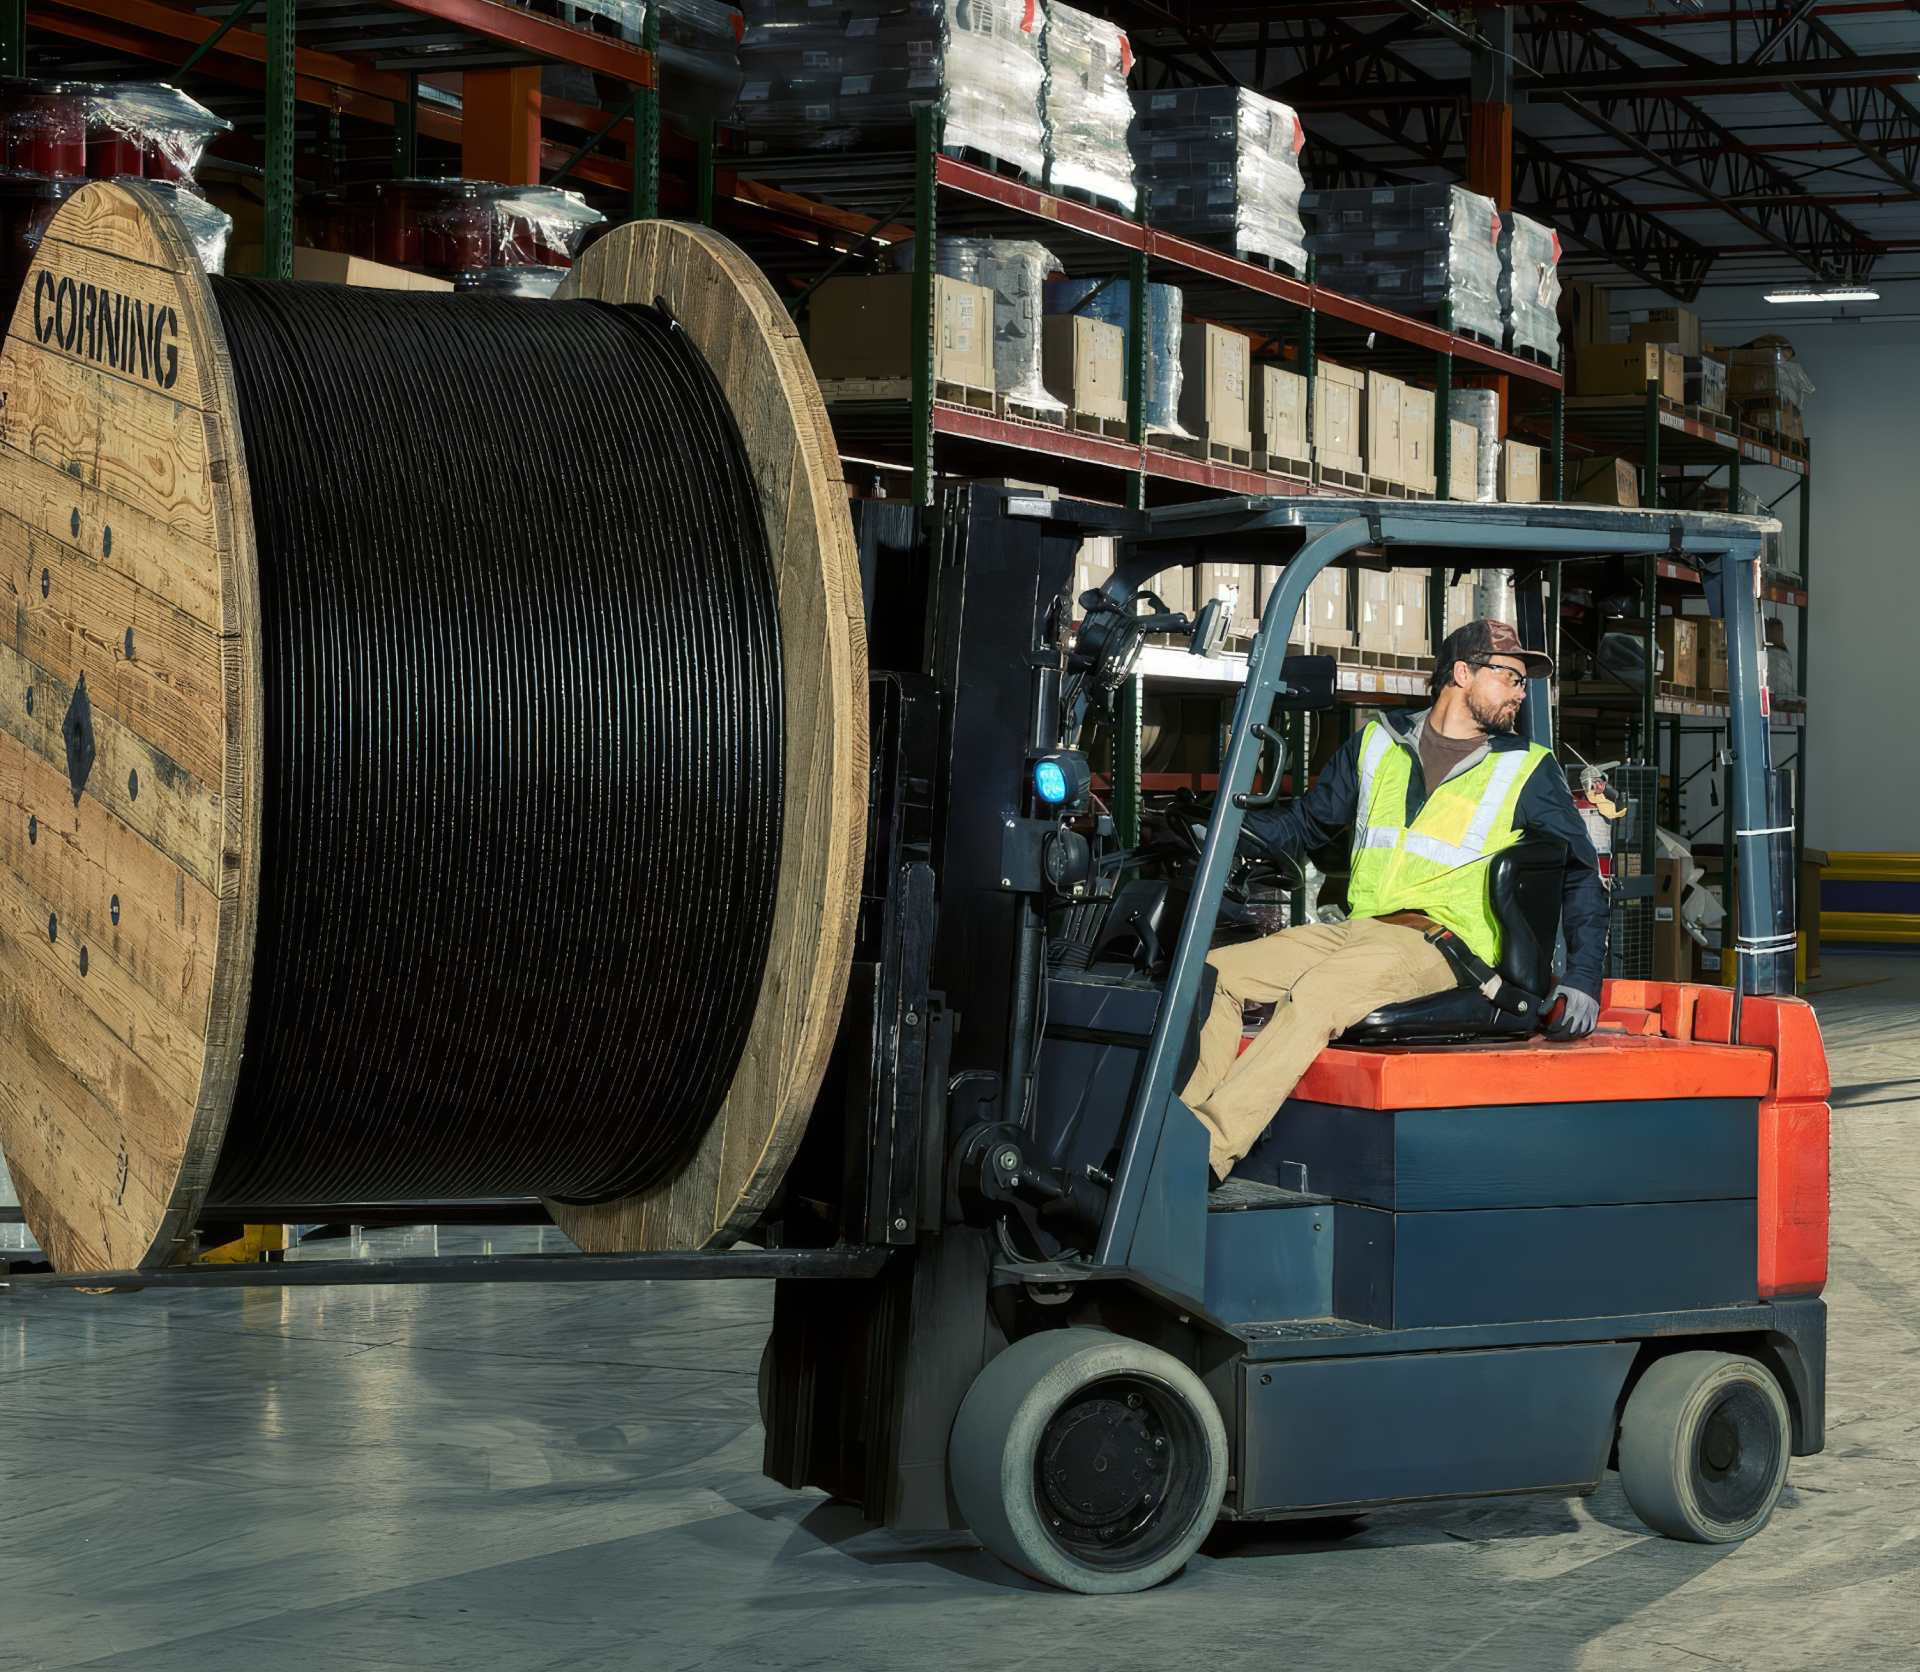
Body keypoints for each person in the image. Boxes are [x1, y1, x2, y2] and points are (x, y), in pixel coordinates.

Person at [1181, 618, 1608, 1183]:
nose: (1520, 693)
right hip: (1358, 929)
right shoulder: (1376, 743)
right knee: (1214, 973)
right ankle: (1172, 1132)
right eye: (1510, 677)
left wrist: (1584, 975)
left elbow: (1580, 875)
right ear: (1462, 673)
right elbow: (1306, 824)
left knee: (1319, 995)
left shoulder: (1526, 767)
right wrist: (1221, 833)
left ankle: (1200, 1158)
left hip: (1441, 944)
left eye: (1523, 682)